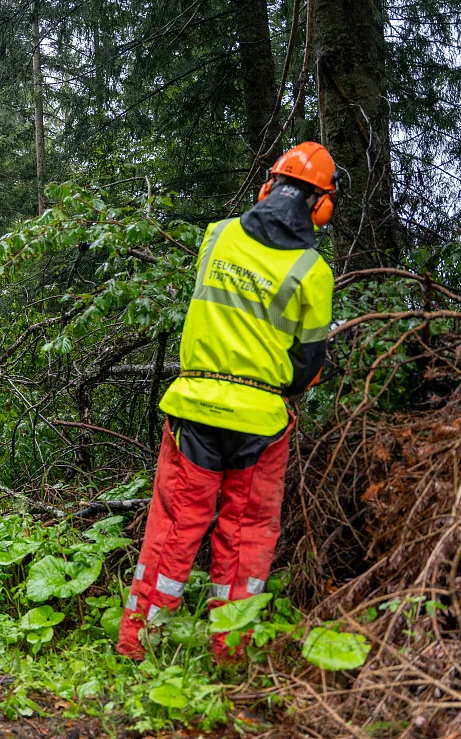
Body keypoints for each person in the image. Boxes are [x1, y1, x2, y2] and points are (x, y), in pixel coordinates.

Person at [117, 142, 338, 660]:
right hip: (261, 422)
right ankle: (230, 654)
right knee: (246, 535)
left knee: (173, 525)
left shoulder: (217, 236)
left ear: (268, 185)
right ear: (321, 206)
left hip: (192, 408)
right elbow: (308, 366)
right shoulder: (313, 273)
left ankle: (138, 644)